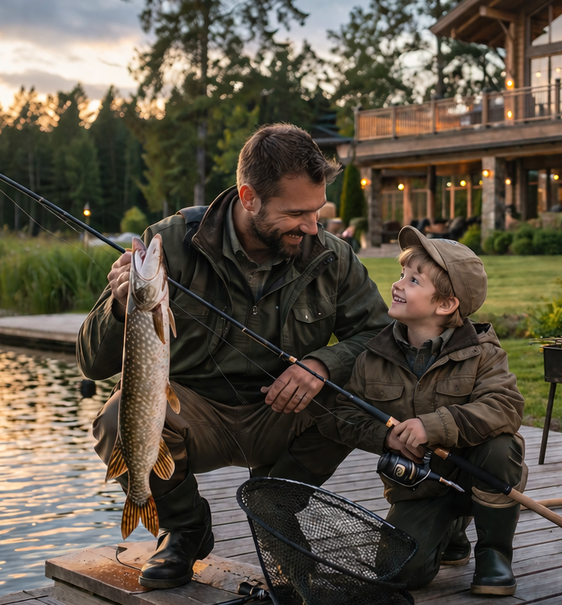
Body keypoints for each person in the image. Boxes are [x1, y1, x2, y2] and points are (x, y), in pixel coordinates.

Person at [77, 124, 392, 589]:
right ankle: (184, 528)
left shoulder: (331, 256)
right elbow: (91, 363)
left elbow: (380, 337)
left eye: (317, 210)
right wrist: (122, 306)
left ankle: (275, 513)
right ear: (248, 197)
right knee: (114, 418)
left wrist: (323, 365)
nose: (312, 226)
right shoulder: (170, 245)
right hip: (193, 416)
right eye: (297, 213)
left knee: (363, 392)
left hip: (282, 412)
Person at [333, 226, 526, 596]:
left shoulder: (483, 352)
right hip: (418, 488)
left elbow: (504, 406)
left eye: (413, 280)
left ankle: (494, 555)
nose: (398, 285)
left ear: (445, 304)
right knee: (401, 575)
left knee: (502, 447)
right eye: (401, 275)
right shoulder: (374, 356)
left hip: (476, 472)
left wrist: (431, 426)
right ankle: (450, 532)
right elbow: (342, 414)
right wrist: (385, 436)